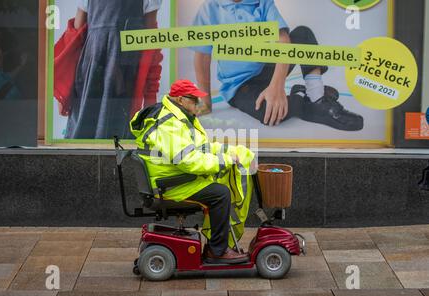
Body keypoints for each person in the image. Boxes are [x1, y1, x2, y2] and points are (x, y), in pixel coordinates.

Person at [130, 79, 254, 264]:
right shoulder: (169, 124)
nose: (198, 104)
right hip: (169, 184)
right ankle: (217, 252)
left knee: (218, 187)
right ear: (181, 100)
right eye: (194, 100)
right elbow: (189, 161)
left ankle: (218, 245)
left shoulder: (180, 117)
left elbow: (200, 148)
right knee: (221, 194)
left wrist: (230, 151)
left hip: (171, 177)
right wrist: (224, 161)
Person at [192, 0, 364, 131]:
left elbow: (283, 40)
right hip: (240, 86)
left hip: (268, 70)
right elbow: (202, 56)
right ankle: (302, 97)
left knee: (302, 34)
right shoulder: (210, 8)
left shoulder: (262, 2)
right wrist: (205, 101)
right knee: (271, 114)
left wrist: (277, 86)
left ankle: (317, 96)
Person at [64, 0, 163, 139]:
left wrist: (150, 96)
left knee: (120, 134)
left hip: (125, 76)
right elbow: (74, 39)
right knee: (83, 133)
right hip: (90, 73)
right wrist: (66, 89)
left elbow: (150, 45)